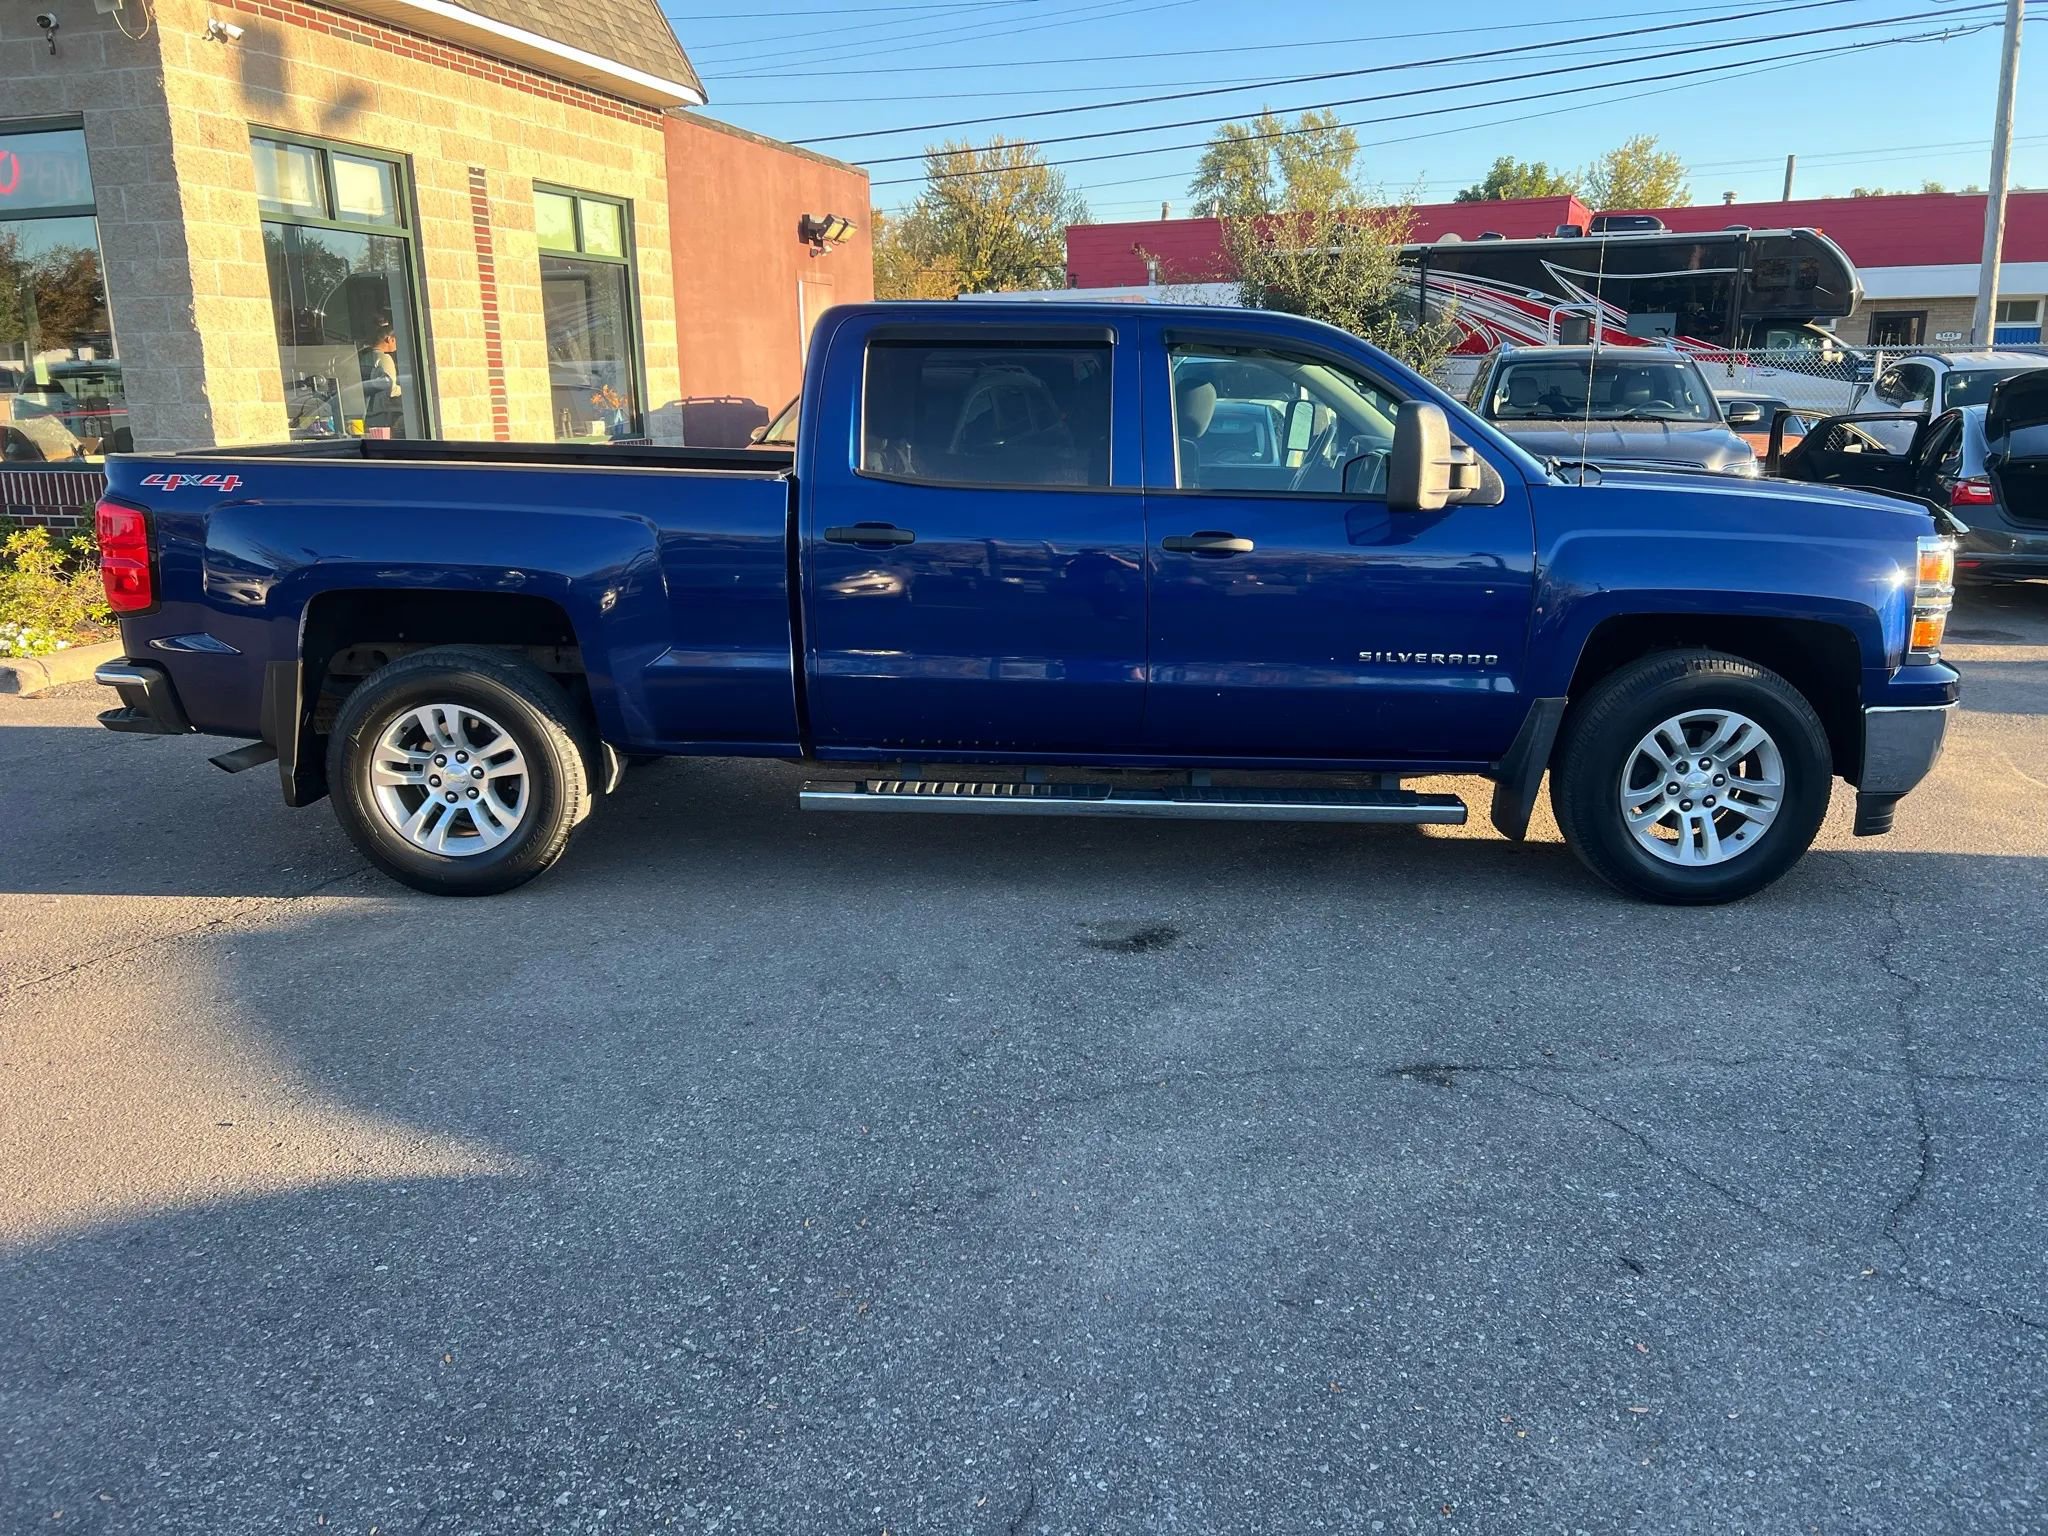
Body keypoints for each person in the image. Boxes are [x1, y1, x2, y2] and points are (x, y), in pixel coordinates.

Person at [356, 322, 405, 437]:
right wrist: (406, 390)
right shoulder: (384, 358)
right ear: (389, 339)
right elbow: (390, 388)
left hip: (366, 408)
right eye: (396, 340)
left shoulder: (364, 356)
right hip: (381, 411)